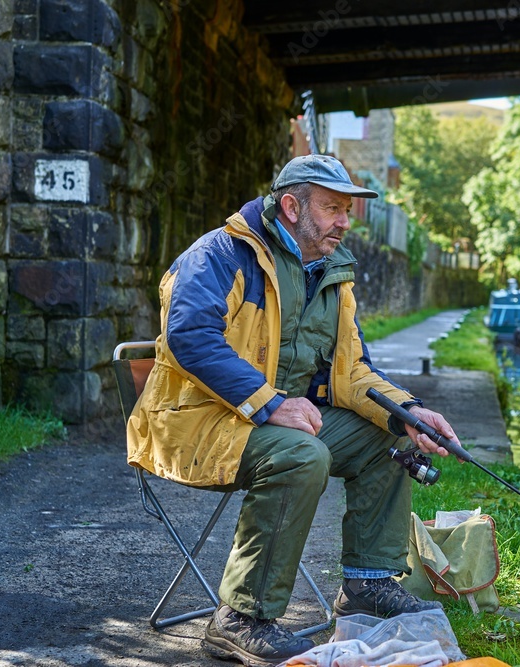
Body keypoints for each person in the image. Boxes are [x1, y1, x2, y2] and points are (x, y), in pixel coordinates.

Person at [126, 154, 460, 666]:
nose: (344, 222)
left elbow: (353, 374)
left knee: (389, 438)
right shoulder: (219, 254)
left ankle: (368, 586)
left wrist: (411, 412)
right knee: (302, 455)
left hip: (278, 425)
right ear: (291, 206)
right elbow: (189, 337)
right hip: (195, 423)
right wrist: (271, 403)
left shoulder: (333, 274)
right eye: (332, 208)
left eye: (347, 210)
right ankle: (241, 618)